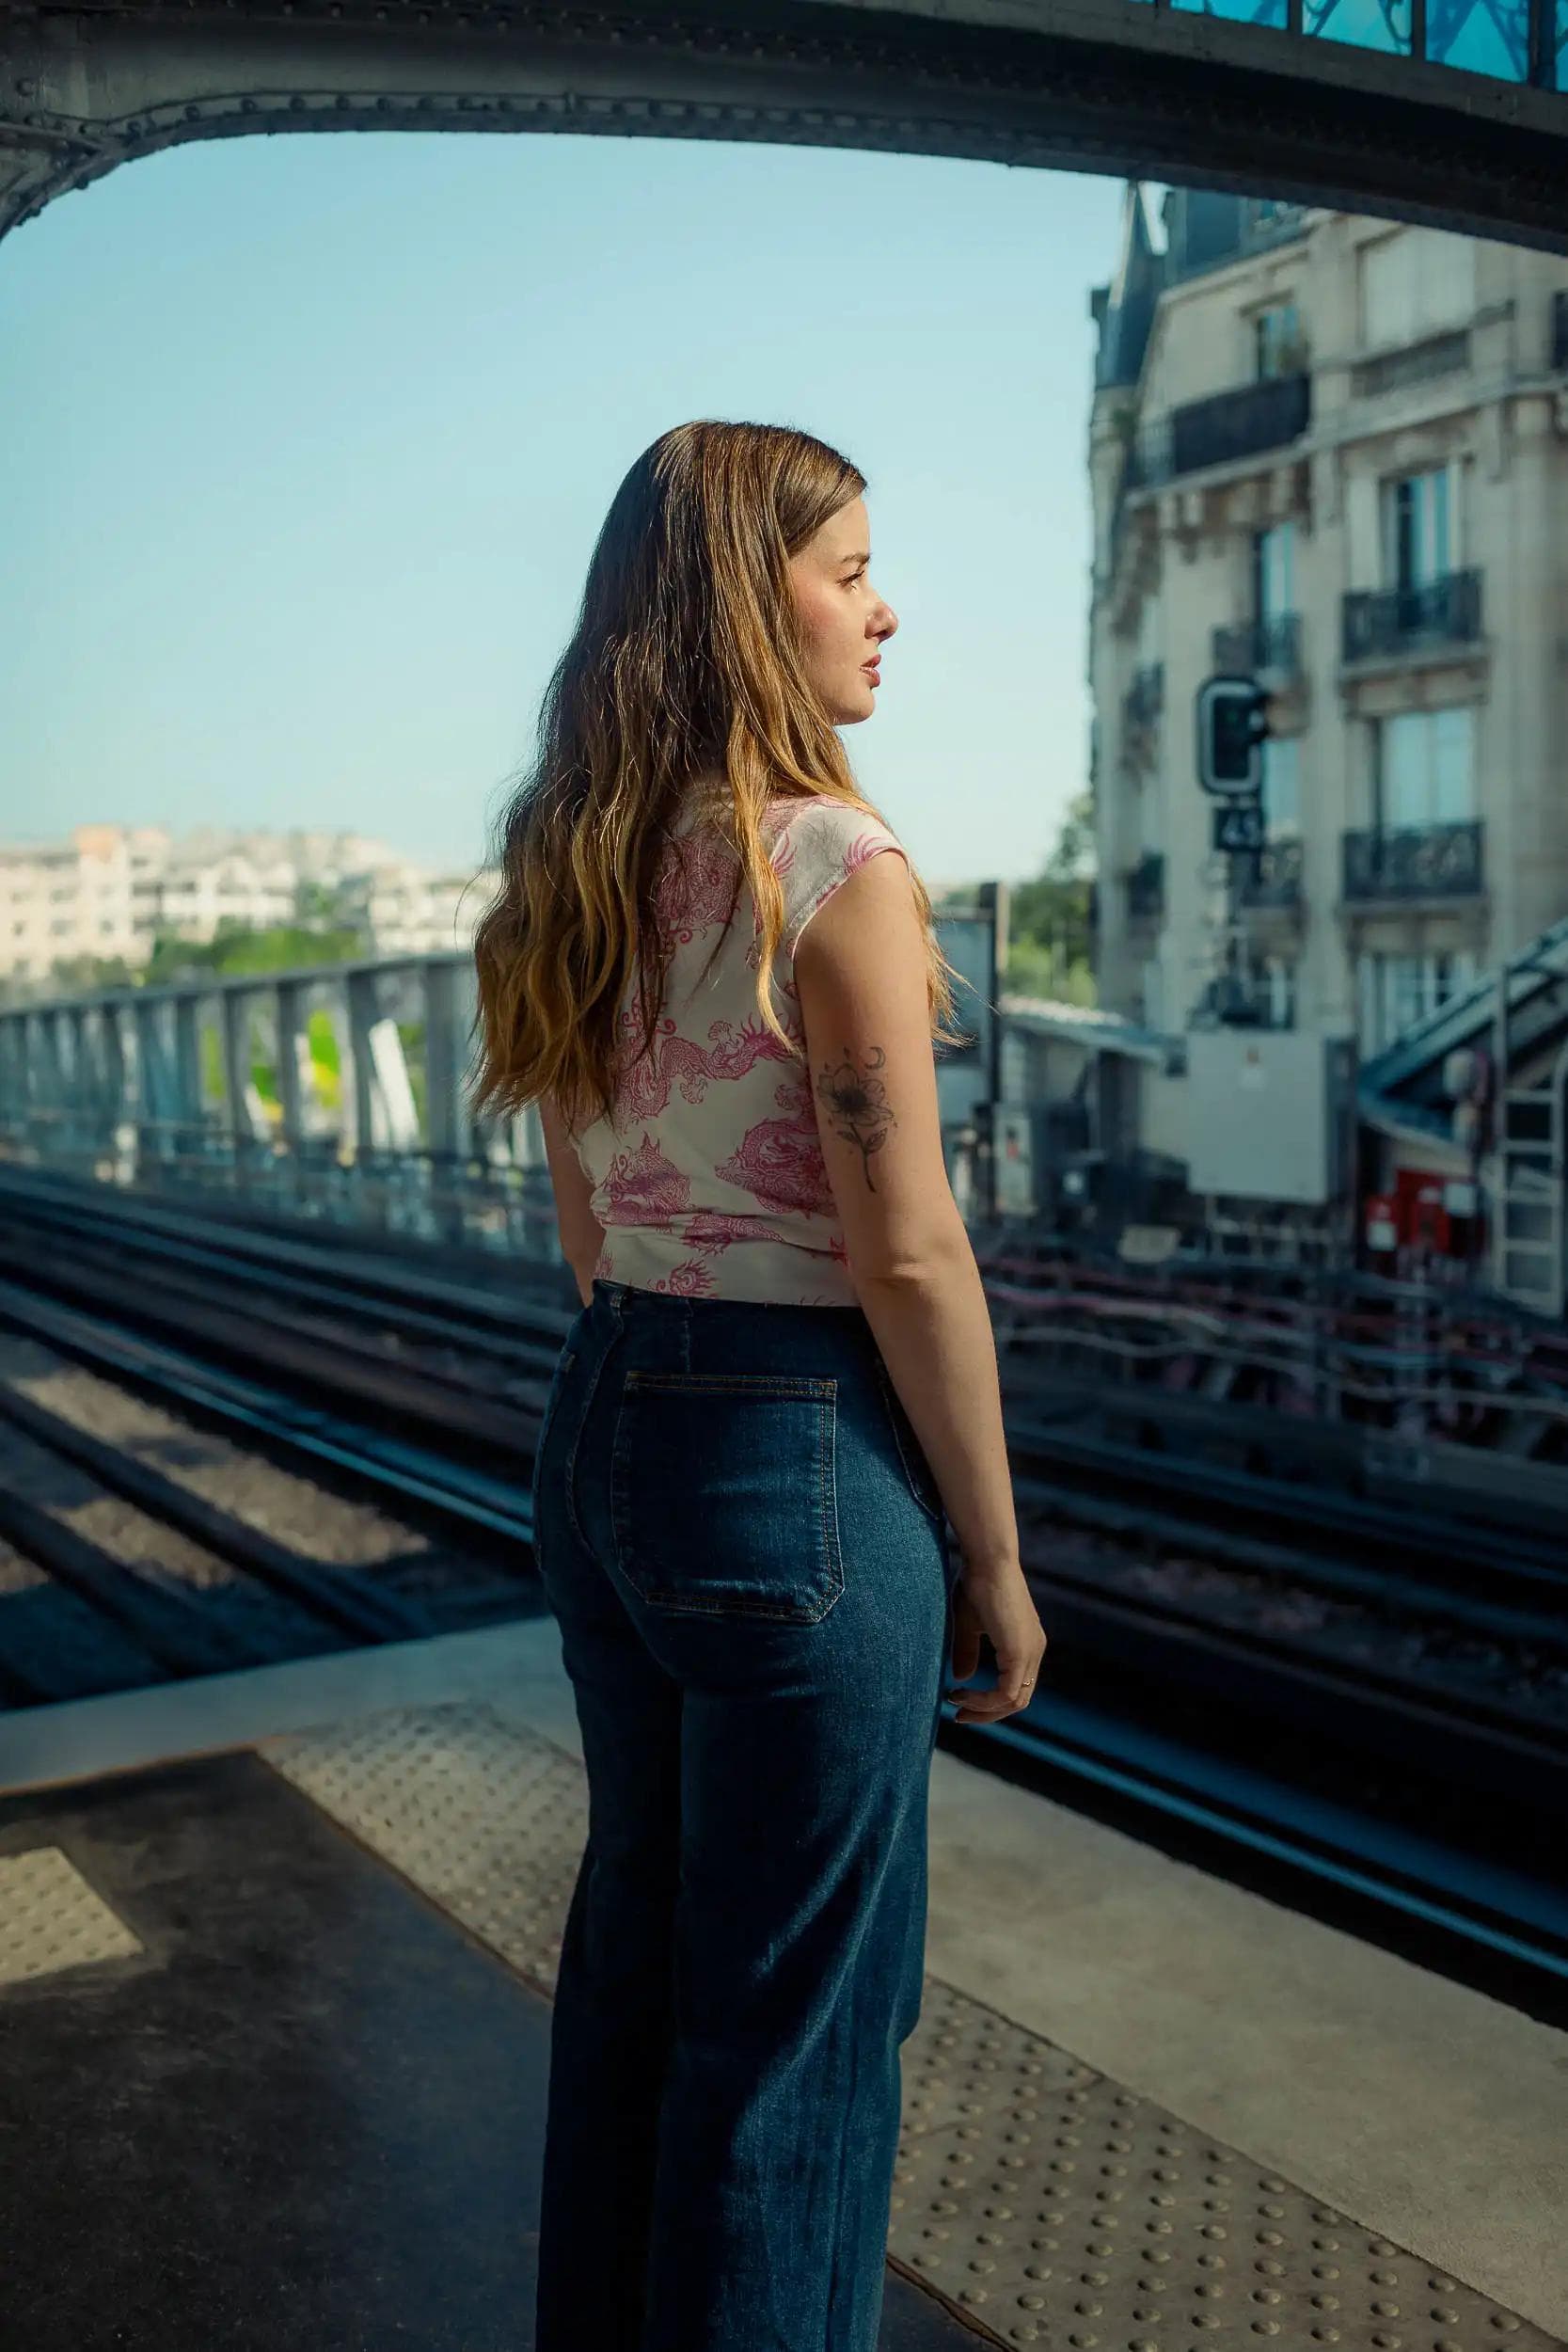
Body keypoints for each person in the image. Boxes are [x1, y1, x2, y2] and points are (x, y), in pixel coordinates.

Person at [469, 420, 1049, 2352]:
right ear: (747, 596)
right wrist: (990, 1542)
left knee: (637, 1967)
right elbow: (906, 1250)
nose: (886, 607)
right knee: (800, 2033)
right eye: (847, 569)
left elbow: (578, 1206)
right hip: (797, 1446)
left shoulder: (571, 858)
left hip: (611, 1411)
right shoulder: (836, 862)